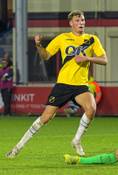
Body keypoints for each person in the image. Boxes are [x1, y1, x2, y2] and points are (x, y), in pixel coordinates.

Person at [6, 10, 108, 158]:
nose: (81, 23)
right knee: (46, 118)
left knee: (91, 109)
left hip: (81, 84)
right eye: (78, 21)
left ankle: (76, 140)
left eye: (83, 20)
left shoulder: (92, 39)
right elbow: (46, 56)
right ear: (71, 23)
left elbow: (104, 60)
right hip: (63, 84)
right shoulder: (63, 38)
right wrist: (39, 45)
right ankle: (17, 148)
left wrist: (87, 58)